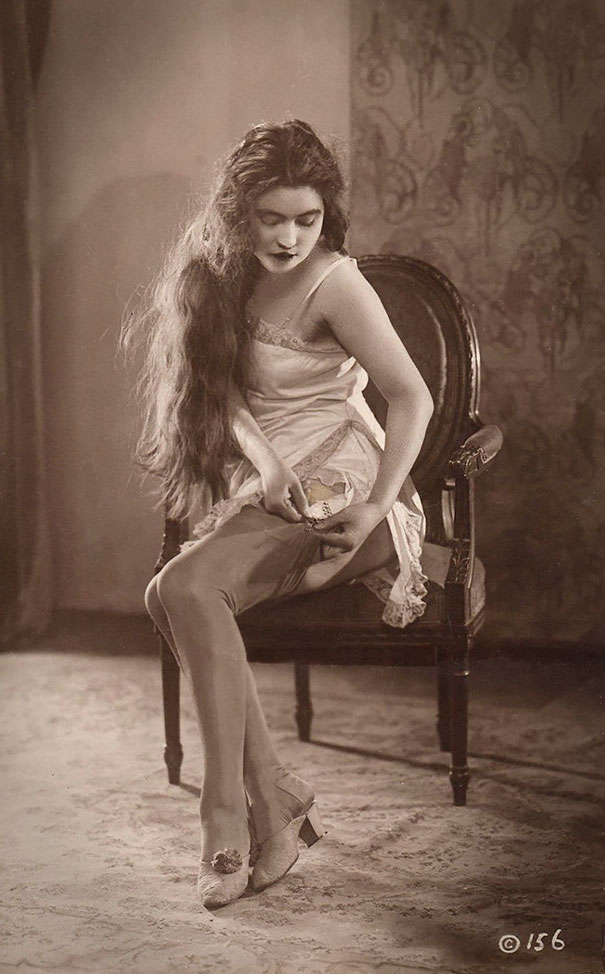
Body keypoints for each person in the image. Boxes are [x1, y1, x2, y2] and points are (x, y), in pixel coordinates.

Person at [124, 119, 433, 910]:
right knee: (170, 592)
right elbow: (221, 387)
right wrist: (262, 460)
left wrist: (375, 506)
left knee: (180, 590)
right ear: (239, 214)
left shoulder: (337, 284)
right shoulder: (221, 273)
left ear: (326, 215)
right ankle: (272, 796)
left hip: (348, 485)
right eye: (270, 218)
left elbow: (411, 397)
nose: (289, 238)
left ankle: (225, 810)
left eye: (307, 218)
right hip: (276, 478)